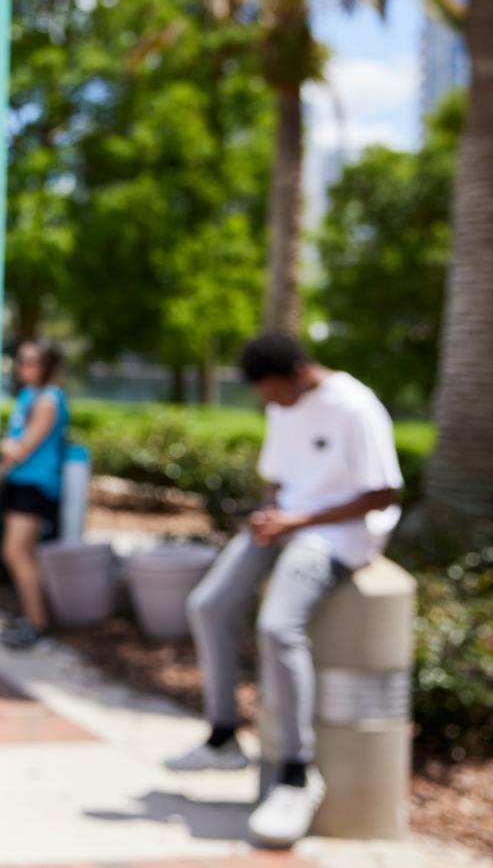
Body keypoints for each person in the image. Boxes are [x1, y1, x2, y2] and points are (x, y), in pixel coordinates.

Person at [165, 333, 403, 849]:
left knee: (277, 626)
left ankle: (297, 772)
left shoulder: (354, 406)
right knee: (207, 604)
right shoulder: (281, 406)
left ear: (298, 371)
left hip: (338, 535)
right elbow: (276, 475)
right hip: (290, 524)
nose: (267, 402)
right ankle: (223, 737)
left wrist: (301, 518)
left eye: (272, 390)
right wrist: (271, 513)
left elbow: (383, 492)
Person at [0, 338, 68, 650]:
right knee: (20, 554)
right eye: (21, 360)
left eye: (31, 361)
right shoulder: (29, 395)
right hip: (20, 483)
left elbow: (23, 446)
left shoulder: (49, 401)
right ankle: (32, 617)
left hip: (34, 486)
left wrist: (3, 452)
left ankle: (38, 624)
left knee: (16, 553)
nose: (23, 367)